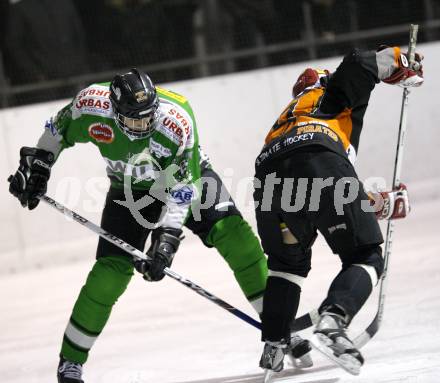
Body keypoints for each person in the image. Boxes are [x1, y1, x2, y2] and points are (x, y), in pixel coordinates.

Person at [8, 68, 311, 383]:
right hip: (130, 190)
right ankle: (70, 362)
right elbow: (56, 131)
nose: (144, 125)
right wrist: (38, 168)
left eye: (148, 116)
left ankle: (279, 328)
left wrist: (165, 244)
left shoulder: (176, 120)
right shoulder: (92, 105)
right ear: (115, 112)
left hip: (185, 177)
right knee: (109, 273)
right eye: (135, 120)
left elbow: (183, 190)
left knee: (235, 237)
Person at [253, 46, 423, 375]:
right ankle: (333, 322)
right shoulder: (328, 90)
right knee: (366, 256)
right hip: (317, 160)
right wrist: (402, 63)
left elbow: (324, 194)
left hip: (269, 178)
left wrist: (380, 203)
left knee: (287, 264)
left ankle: (274, 344)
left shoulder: (289, 116)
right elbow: (360, 61)